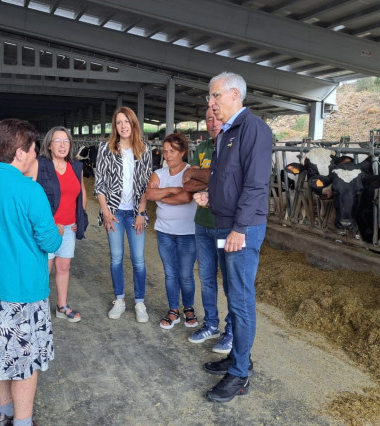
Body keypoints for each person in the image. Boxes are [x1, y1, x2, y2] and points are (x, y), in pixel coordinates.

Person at [0, 119, 62, 426]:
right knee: (24, 363)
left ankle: (5, 413)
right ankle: (23, 421)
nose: (35, 155)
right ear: (21, 152)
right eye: (33, 149)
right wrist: (57, 230)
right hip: (22, 291)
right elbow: (50, 240)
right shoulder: (30, 191)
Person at [195, 72, 273, 403]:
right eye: (209, 97)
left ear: (234, 95)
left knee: (240, 298)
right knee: (232, 290)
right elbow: (229, 179)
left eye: (214, 96)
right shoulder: (227, 132)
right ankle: (238, 356)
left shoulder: (252, 129)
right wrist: (210, 196)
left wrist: (240, 229)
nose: (210, 103)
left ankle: (240, 374)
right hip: (224, 224)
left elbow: (256, 184)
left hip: (241, 229)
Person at [94, 106, 152, 322]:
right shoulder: (106, 149)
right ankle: (119, 299)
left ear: (133, 124)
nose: (123, 125)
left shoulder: (144, 150)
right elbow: (99, 183)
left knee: (138, 259)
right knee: (116, 257)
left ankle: (139, 302)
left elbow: (147, 185)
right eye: (119, 122)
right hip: (115, 212)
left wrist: (141, 213)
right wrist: (106, 212)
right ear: (115, 127)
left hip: (136, 212)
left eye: (126, 121)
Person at [183, 108, 233, 353]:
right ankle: (211, 324)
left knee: (230, 279)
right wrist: (210, 177)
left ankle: (232, 331)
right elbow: (187, 180)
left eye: (217, 118)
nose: (212, 123)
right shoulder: (202, 149)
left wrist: (205, 176)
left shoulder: (232, 146)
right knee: (206, 277)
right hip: (202, 224)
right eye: (208, 119)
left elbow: (226, 179)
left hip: (225, 228)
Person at [31, 126, 88, 322]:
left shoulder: (76, 166)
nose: (63, 145)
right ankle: (37, 307)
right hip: (48, 229)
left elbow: (81, 194)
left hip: (69, 227)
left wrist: (79, 219)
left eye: (66, 141)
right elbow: (30, 196)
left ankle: (61, 305)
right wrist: (47, 224)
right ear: (48, 144)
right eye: (58, 141)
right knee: (43, 267)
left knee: (64, 266)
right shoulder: (39, 164)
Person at [145, 132, 198, 330]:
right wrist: (175, 190)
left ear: (182, 152)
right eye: (165, 151)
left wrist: (163, 195)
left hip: (187, 232)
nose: (167, 155)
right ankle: (173, 310)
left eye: (172, 151)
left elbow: (186, 198)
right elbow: (149, 194)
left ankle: (189, 308)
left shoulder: (191, 172)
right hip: (164, 231)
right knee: (170, 273)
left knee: (185, 274)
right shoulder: (159, 174)